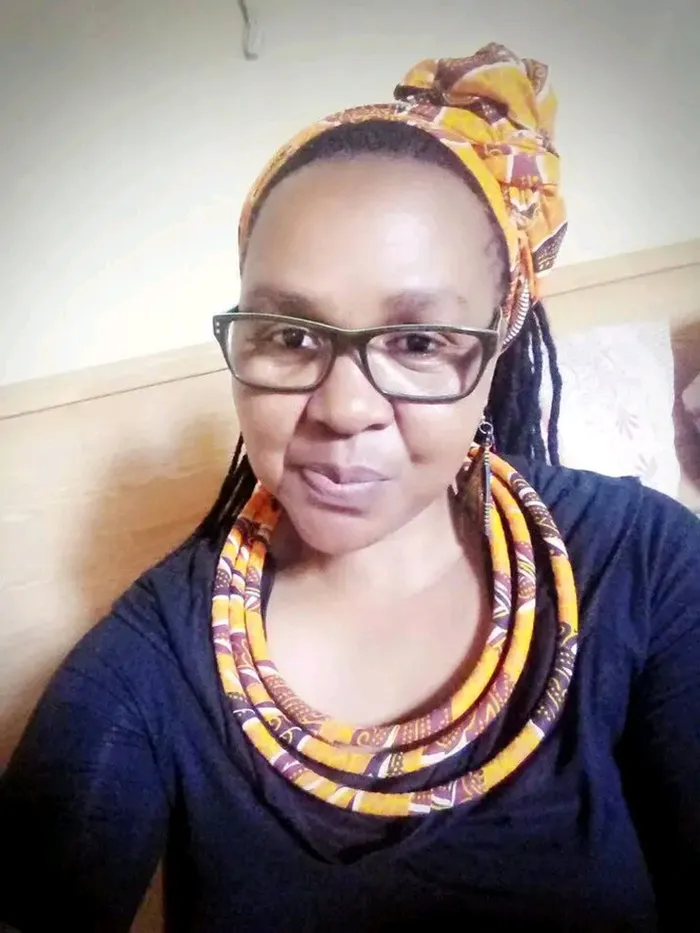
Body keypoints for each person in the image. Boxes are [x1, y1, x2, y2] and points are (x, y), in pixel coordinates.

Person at [1, 42, 699, 933]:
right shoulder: (156, 660)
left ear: (497, 346)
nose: (342, 407)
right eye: (291, 335)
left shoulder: (644, 564)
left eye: (418, 342)